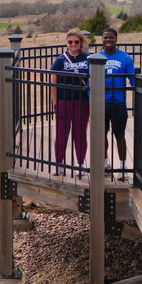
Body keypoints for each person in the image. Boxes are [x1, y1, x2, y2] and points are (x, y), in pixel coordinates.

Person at [50, 29, 90, 176]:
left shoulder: (88, 58)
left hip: (82, 101)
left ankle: (80, 164)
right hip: (64, 101)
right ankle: (59, 164)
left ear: (81, 43)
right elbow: (53, 80)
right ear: (66, 43)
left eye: (76, 42)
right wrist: (55, 102)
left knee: (80, 134)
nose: (73, 44)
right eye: (70, 42)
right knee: (61, 134)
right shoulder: (60, 60)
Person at [99, 27, 135, 175]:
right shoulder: (96, 58)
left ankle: (122, 165)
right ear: (102, 40)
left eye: (111, 37)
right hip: (101, 103)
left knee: (119, 135)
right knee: (102, 135)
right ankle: (105, 163)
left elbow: (133, 80)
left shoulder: (125, 58)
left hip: (119, 102)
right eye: (105, 38)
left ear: (116, 39)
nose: (108, 40)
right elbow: (90, 83)